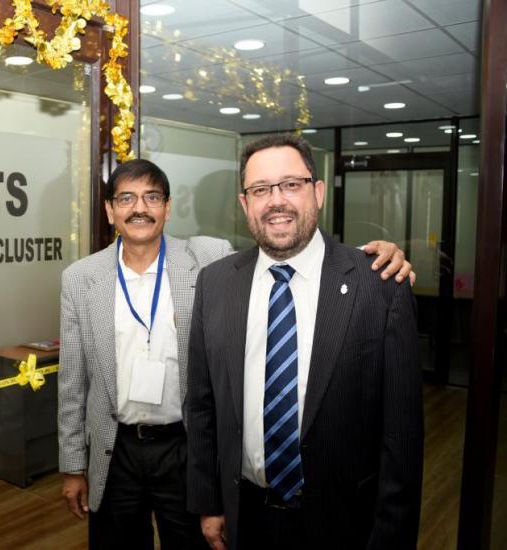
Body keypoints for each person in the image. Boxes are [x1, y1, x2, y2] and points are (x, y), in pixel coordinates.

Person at [58, 158, 413, 549]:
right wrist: (72, 465)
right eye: (126, 198)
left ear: (168, 207)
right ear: (110, 210)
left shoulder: (209, 258)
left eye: (152, 197)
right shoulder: (80, 278)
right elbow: (73, 382)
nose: (139, 208)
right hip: (116, 447)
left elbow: (284, 244)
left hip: (186, 447)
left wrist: (371, 256)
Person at [186, 134, 424, 550]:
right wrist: (210, 503)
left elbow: (401, 434)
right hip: (247, 516)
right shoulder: (216, 283)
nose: (275, 201)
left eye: (291, 184)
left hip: (345, 523)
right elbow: (203, 406)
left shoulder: (380, 284)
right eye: (260, 189)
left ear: (317, 193)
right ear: (245, 204)